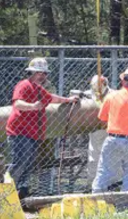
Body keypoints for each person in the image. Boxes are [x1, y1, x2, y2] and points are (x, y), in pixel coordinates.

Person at [5, 58, 79, 198]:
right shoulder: (24, 85)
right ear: (32, 72)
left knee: (29, 163)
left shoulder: (39, 89)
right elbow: (18, 104)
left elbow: (51, 98)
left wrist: (68, 100)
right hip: (20, 132)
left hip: (33, 134)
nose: (43, 76)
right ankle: (5, 187)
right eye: (40, 73)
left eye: (45, 73)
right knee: (20, 162)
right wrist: (32, 106)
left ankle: (22, 190)